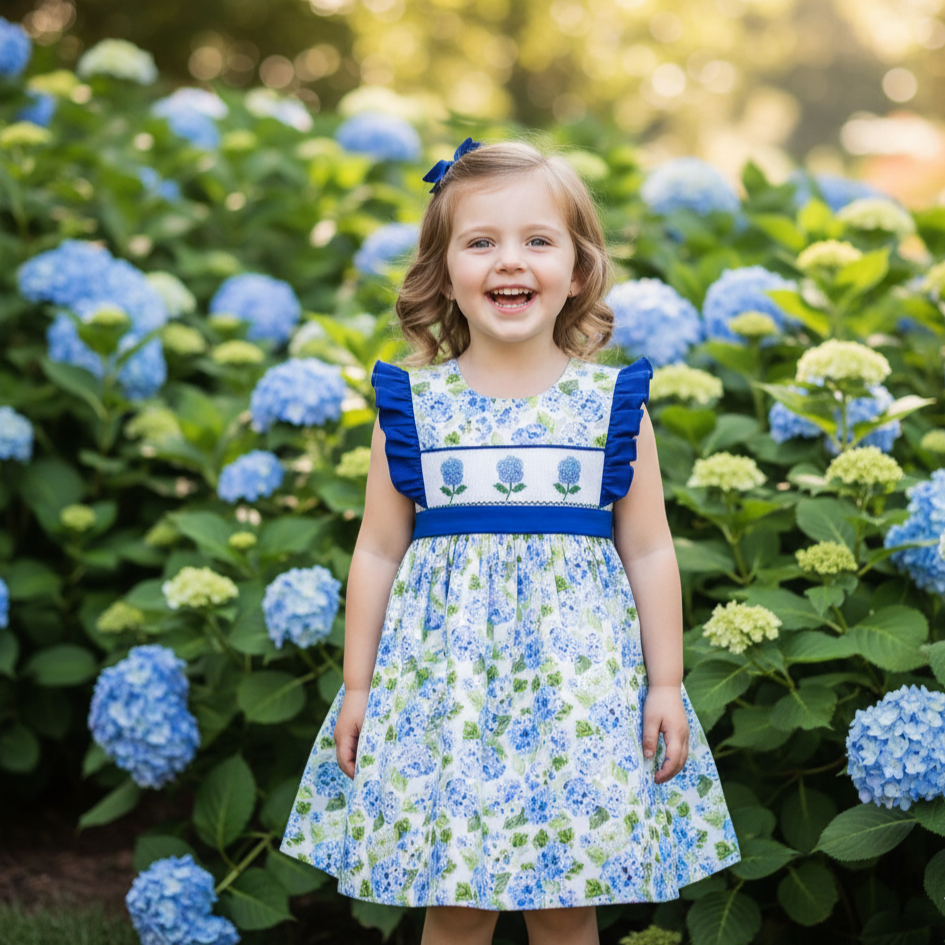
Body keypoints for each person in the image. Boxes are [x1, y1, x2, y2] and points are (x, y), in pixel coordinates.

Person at [280, 138, 740, 945]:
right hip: (446, 698)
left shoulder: (611, 407)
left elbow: (650, 550)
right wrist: (357, 689)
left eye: (537, 239)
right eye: (480, 241)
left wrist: (664, 684)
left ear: (576, 267)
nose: (508, 261)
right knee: (454, 897)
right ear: (443, 268)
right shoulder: (414, 410)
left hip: (576, 695)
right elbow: (378, 551)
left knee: (566, 898)